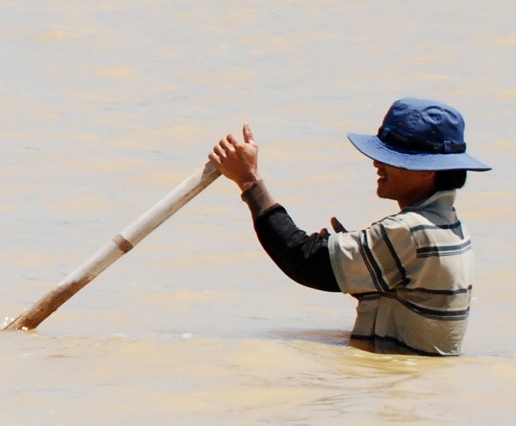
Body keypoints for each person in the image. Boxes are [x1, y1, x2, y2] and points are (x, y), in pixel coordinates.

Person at [210, 98, 490, 356]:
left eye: (391, 157)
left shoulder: (410, 232)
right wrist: (361, 267)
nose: (377, 163)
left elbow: (302, 259)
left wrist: (249, 181)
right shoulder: (451, 226)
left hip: (395, 383)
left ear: (428, 170)